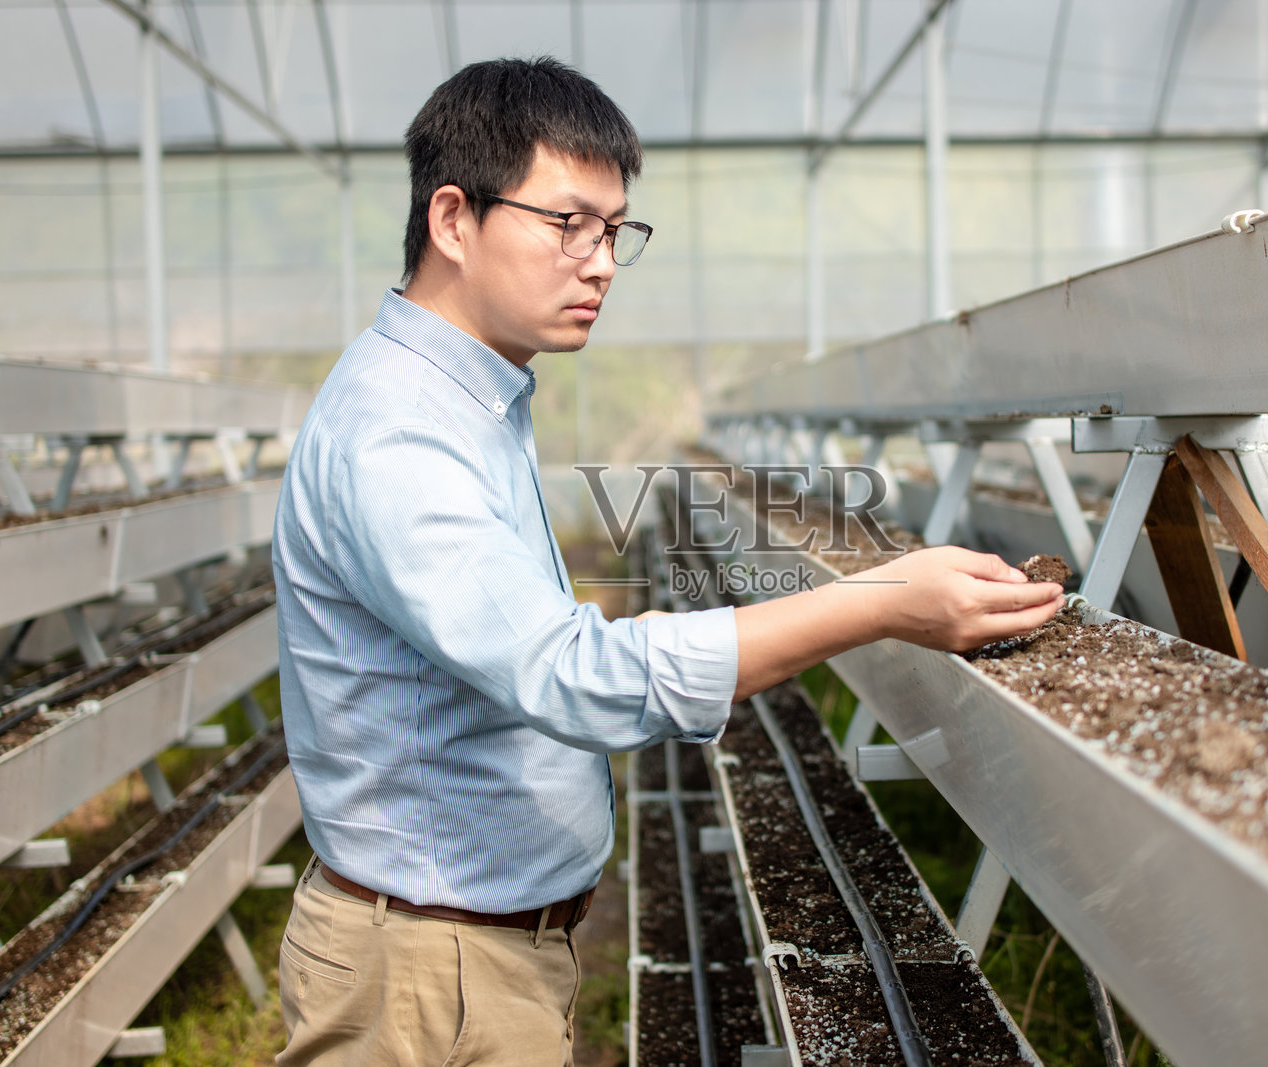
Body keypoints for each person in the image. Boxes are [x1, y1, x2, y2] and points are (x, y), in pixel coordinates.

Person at [271, 56, 1064, 1066]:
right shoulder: (397, 435)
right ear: (453, 220)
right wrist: (874, 602)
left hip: (467, 955)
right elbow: (569, 673)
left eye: (614, 231)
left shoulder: (470, 401)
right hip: (431, 981)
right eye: (568, 225)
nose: (600, 262)